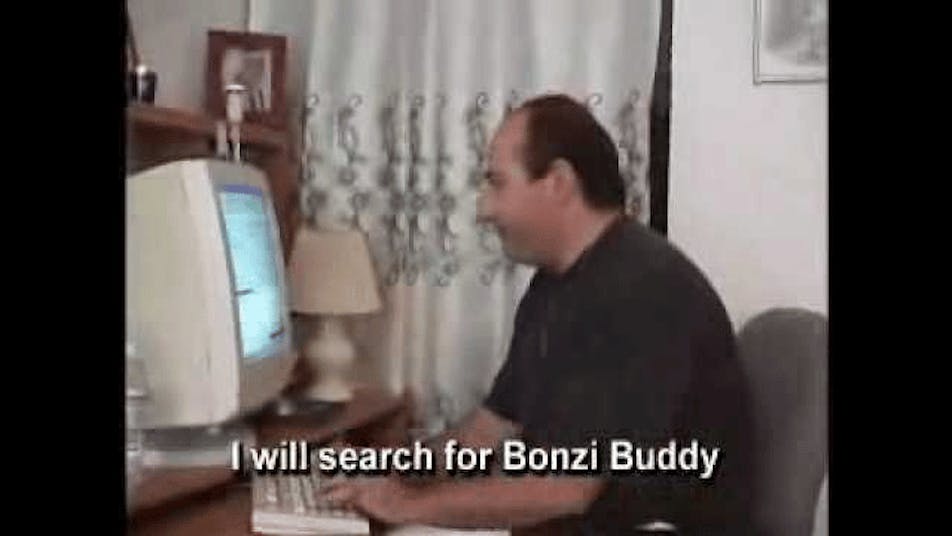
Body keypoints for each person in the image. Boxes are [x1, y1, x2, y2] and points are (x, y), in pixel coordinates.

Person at [323, 94, 753, 534]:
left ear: (558, 183)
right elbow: (484, 434)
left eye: (497, 183)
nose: (484, 209)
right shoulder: (556, 284)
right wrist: (388, 474)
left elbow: (565, 489)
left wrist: (406, 505)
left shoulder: (641, 291)